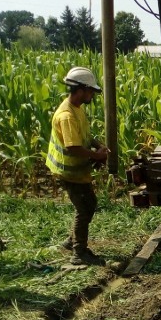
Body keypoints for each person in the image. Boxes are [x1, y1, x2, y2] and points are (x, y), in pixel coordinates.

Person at [46, 66, 109, 266]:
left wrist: (98, 146)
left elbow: (84, 137)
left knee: (88, 205)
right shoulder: (67, 116)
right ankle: (78, 252)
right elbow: (73, 147)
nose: (92, 94)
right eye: (90, 90)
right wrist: (96, 156)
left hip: (77, 170)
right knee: (85, 208)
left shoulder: (77, 109)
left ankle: (72, 241)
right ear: (80, 89)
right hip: (68, 171)